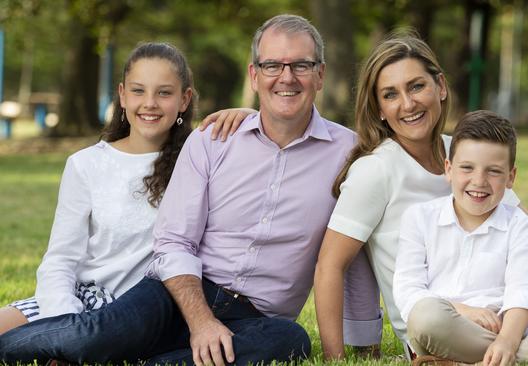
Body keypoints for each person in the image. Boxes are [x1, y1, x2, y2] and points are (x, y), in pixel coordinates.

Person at [0, 14, 382, 365]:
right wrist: (201, 321)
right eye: (272, 65)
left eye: (301, 65)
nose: (287, 76)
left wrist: (365, 340)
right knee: (92, 337)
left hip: (257, 317)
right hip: (176, 293)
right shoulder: (214, 140)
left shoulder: (348, 154)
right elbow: (173, 243)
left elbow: (352, 247)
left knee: (290, 341)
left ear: (320, 74)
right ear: (254, 74)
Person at [312, 31, 528, 361]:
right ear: (380, 109)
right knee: (438, 315)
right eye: (390, 95)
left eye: (416, 86)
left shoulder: (460, 149)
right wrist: (335, 357)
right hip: (445, 322)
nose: (408, 103)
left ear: (440, 87)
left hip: (507, 307)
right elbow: (331, 264)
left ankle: (497, 356)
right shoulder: (376, 170)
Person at [0, 42, 194, 335]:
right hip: (79, 301)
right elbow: (61, 258)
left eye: (164, 92)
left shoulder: (197, 161)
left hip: (143, 311)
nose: (150, 103)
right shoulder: (86, 164)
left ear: (184, 99)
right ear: (122, 95)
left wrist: (242, 111)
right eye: (138, 90)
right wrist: (66, 323)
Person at [393, 110, 528, 366]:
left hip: (510, 323)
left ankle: (465, 363)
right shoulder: (419, 218)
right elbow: (408, 290)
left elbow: (524, 288)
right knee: (425, 316)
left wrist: (507, 340)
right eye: (467, 168)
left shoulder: (518, 225)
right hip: (448, 325)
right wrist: (464, 311)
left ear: (510, 178)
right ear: (448, 169)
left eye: (494, 171)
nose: (479, 181)